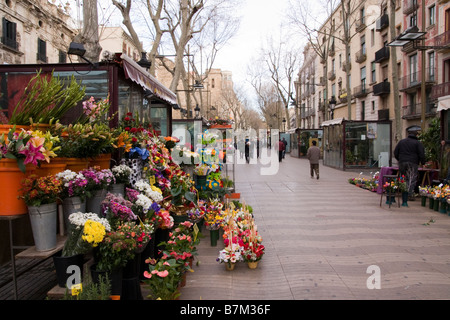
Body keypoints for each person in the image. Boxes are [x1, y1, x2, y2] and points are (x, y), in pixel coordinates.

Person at [394, 125, 426, 200]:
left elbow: (395, 152)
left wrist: (400, 159)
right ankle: (409, 194)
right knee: (411, 178)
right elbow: (421, 154)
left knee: (403, 177)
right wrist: (423, 163)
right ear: (416, 135)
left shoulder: (401, 142)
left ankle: (403, 193)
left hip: (402, 162)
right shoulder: (418, 143)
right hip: (413, 162)